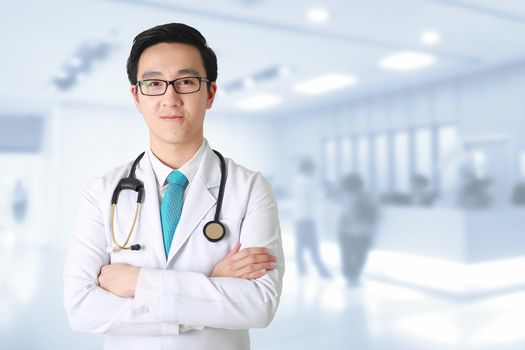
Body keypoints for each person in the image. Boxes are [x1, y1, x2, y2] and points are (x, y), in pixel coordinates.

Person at [63, 23, 284, 350]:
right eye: (154, 83)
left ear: (210, 93)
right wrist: (211, 286)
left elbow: (258, 304)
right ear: (137, 97)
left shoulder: (250, 188)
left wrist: (139, 282)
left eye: (186, 82)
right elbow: (81, 309)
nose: (170, 97)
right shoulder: (102, 193)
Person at [290, 158, 331, 278]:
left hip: (300, 218)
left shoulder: (297, 181)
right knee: (312, 244)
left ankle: (302, 268)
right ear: (308, 169)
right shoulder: (306, 182)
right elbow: (317, 197)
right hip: (306, 218)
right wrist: (326, 190)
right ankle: (321, 269)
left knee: (301, 244)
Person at [337, 174, 378, 286]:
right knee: (355, 256)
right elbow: (373, 219)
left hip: (355, 233)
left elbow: (371, 218)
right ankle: (352, 277)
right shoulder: (366, 198)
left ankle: (352, 277)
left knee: (353, 256)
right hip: (357, 233)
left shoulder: (364, 199)